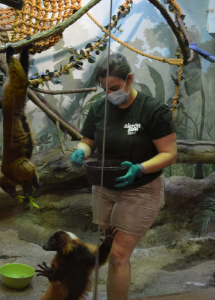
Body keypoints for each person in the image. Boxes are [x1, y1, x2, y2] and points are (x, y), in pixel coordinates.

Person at [70, 53, 177, 300]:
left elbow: (169, 154)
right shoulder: (98, 108)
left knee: (118, 256)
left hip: (140, 188)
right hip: (105, 187)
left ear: (129, 79)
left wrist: (139, 168)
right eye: (105, 89)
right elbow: (88, 142)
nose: (110, 94)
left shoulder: (153, 110)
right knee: (107, 250)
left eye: (115, 88)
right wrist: (80, 151)